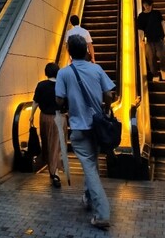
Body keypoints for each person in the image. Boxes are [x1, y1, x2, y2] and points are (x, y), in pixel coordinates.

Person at [55, 34, 115, 229]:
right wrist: (105, 107)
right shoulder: (96, 69)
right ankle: (88, 198)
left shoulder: (64, 73)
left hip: (79, 128)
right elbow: (109, 94)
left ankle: (102, 213)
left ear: (69, 52)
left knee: (90, 169)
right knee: (92, 164)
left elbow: (59, 100)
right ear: (86, 51)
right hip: (97, 128)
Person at [29, 62, 66, 188]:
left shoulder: (41, 85)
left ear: (46, 73)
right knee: (57, 145)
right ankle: (55, 172)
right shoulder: (62, 85)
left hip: (45, 117)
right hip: (59, 118)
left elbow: (35, 102)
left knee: (47, 143)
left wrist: (31, 115)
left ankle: (53, 170)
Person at [137, 0, 165, 81]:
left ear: (152, 5)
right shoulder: (141, 16)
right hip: (149, 40)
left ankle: (163, 70)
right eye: (146, 5)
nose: (148, 7)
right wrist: (141, 40)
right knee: (151, 58)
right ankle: (155, 74)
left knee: (162, 55)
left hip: (159, 38)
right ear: (143, 5)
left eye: (149, 5)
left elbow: (163, 24)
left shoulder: (157, 13)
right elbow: (140, 30)